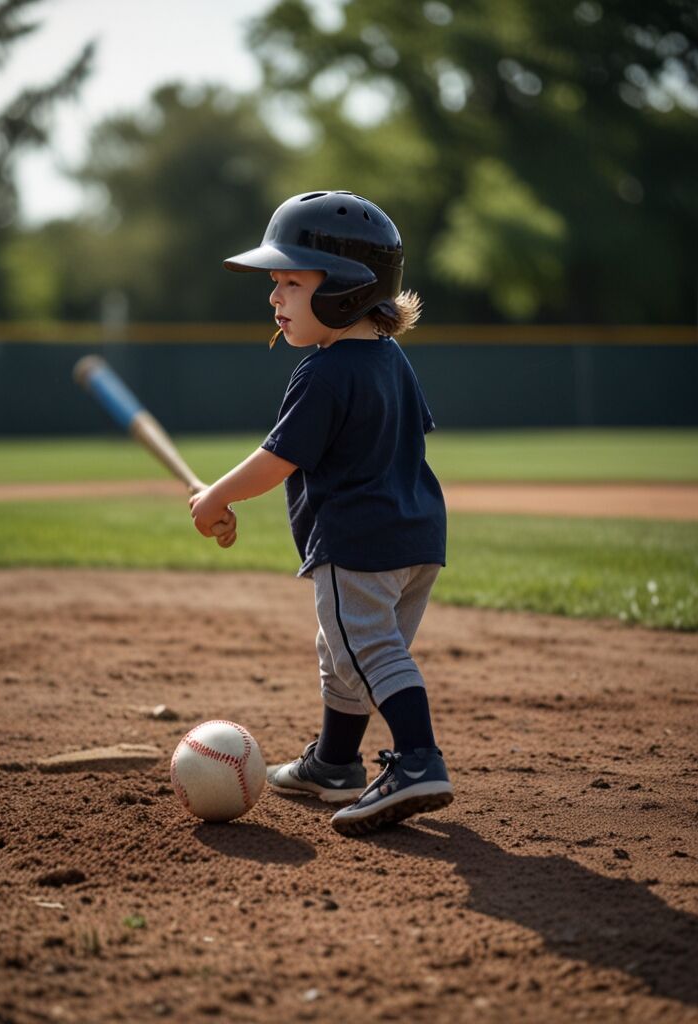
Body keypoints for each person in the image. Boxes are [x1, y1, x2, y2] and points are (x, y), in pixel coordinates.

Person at [189, 190, 452, 836]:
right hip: (417, 537)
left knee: (368, 651)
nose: (274, 297)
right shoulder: (391, 360)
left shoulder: (323, 372)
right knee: (345, 650)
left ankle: (418, 760)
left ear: (342, 290)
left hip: (356, 543)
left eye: (290, 283)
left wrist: (217, 496)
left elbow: (277, 459)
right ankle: (335, 763)